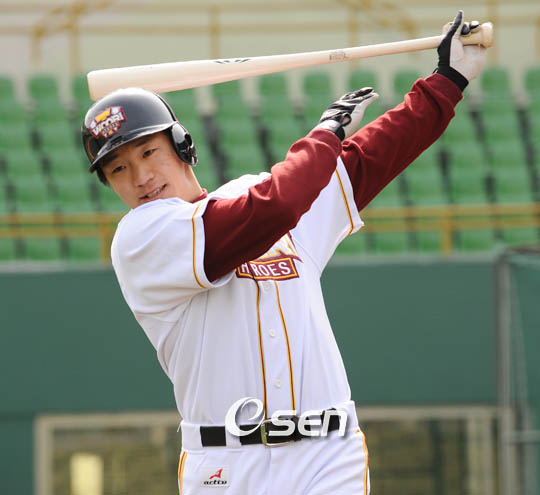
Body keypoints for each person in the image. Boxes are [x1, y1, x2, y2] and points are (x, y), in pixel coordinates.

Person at [82, 11, 487, 495]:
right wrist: (324, 134)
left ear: (182, 145)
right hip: (228, 464)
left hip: (328, 455)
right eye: (118, 169)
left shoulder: (257, 194)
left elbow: (365, 163)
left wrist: (447, 81)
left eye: (148, 153)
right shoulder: (141, 239)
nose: (141, 177)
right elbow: (277, 206)